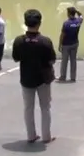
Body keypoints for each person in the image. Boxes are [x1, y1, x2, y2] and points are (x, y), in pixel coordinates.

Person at [12, 9, 56, 144]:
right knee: (45, 107)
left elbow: (15, 58)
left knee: (28, 108)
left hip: (26, 79)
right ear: (39, 23)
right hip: (43, 80)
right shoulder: (45, 41)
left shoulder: (19, 41)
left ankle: (31, 136)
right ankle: (46, 137)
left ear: (25, 23)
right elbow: (52, 60)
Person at [58, 7, 83, 82]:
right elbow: (81, 15)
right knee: (73, 60)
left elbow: (62, 35)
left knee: (64, 61)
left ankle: (63, 76)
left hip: (66, 45)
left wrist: (59, 45)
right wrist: (77, 11)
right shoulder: (78, 21)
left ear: (68, 14)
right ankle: (73, 77)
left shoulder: (66, 23)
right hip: (75, 43)